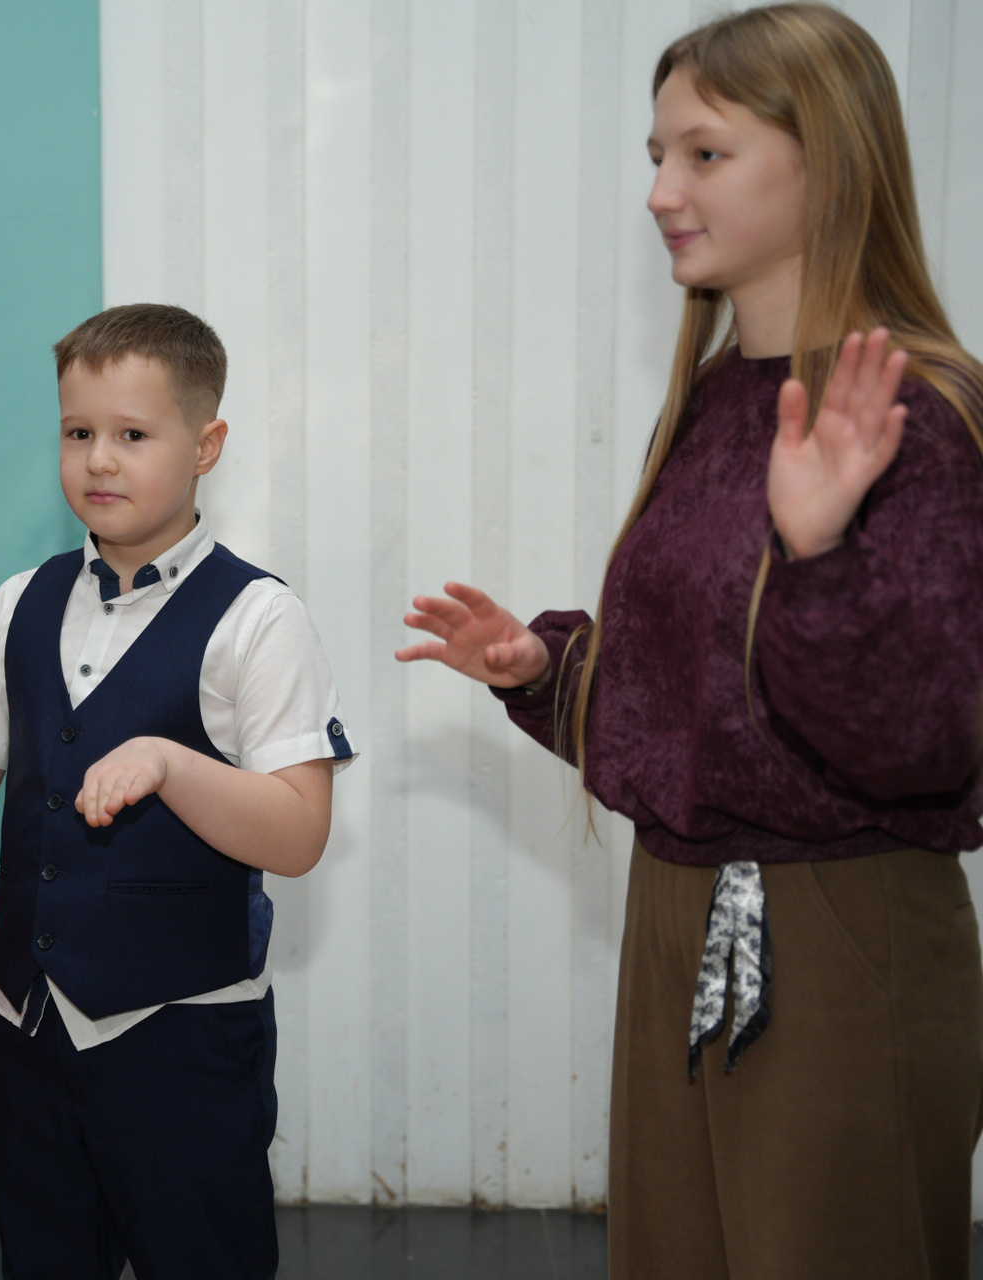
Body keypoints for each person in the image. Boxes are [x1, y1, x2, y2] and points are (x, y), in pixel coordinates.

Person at [396, 6, 983, 1276]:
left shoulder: (919, 416)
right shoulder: (718, 397)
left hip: (839, 930)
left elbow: (926, 743)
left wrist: (817, 556)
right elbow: (714, 699)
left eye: (705, 154)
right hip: (679, 908)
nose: (661, 191)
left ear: (827, 162)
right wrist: (548, 672)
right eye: (657, 154)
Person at [0, 304, 355, 1278]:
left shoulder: (259, 618)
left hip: (183, 1040)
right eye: (78, 433)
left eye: (132, 435)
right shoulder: (20, 601)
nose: (99, 460)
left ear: (206, 446)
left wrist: (173, 763)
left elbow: (297, 832)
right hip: (25, 1030)